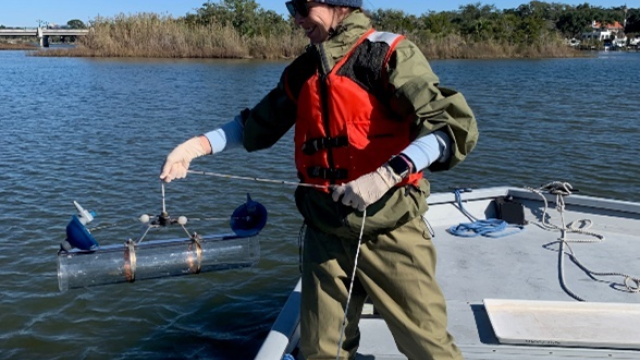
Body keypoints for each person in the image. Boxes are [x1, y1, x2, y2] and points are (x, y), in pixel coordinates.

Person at [160, 0, 478, 359]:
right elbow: (255, 126)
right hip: (324, 233)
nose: (295, 18)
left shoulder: (388, 55)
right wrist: (194, 148)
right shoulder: (304, 70)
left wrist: (390, 173)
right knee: (322, 350)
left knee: (426, 346)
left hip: (391, 230)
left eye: (301, 6)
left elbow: (451, 126)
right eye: (290, 7)